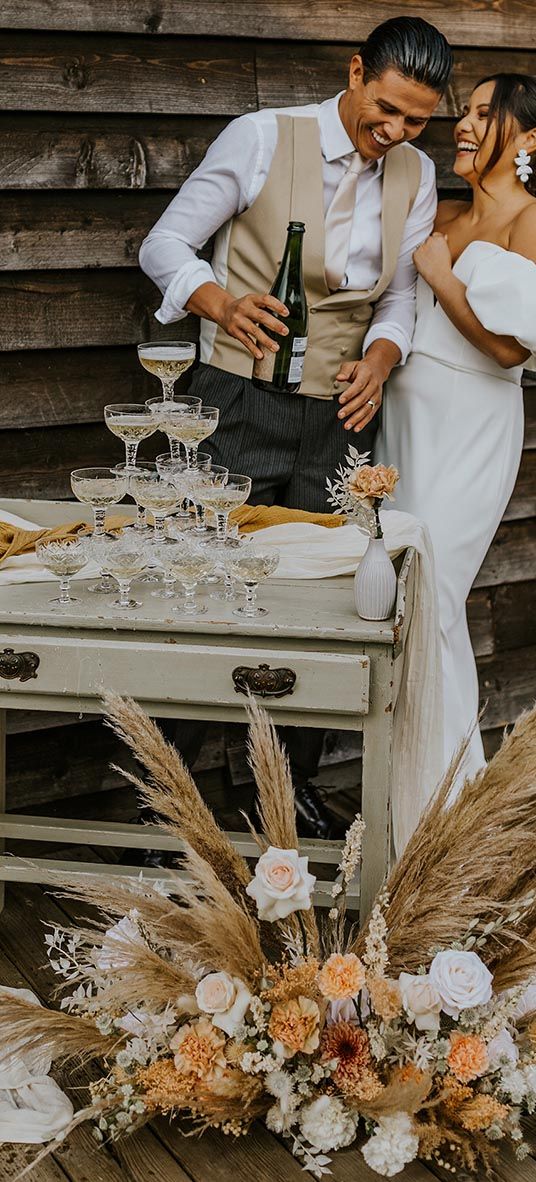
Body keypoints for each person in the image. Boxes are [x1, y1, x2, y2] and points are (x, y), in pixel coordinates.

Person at [139, 16, 453, 839]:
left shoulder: (416, 173)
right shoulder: (260, 138)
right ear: (354, 72)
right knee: (207, 584)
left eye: (415, 121)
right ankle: (169, 792)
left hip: (340, 421)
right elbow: (165, 244)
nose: (394, 133)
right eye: (384, 109)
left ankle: (287, 789)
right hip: (237, 401)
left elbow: (397, 299)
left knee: (325, 600)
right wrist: (221, 302)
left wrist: (380, 364)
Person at [376, 73, 536, 786]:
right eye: (462, 112)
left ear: (528, 138)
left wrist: (442, 276)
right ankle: (410, 800)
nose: (461, 126)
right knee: (403, 603)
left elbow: (512, 348)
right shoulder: (442, 214)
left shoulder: (531, 221)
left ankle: (444, 811)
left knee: (431, 598)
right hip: (403, 423)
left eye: (481, 114)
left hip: (471, 426)